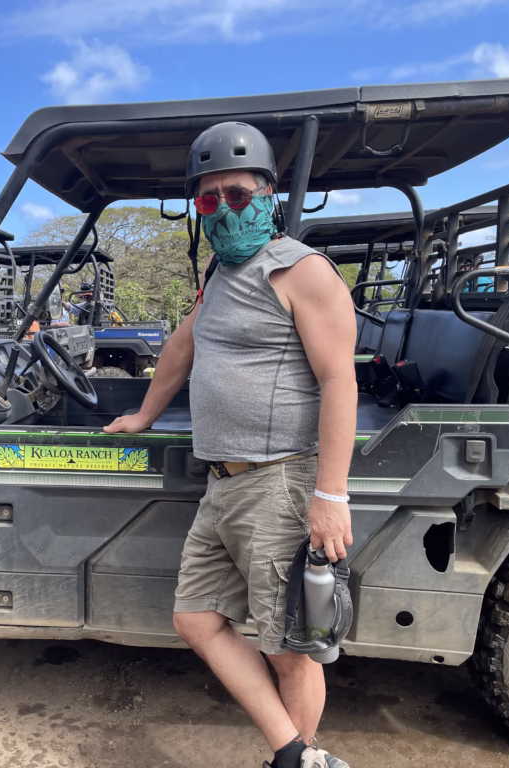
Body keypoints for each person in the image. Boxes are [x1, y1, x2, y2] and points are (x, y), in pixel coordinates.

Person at [104, 122, 357, 768]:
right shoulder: (220, 273)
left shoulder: (302, 272)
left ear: (268, 195)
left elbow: (340, 382)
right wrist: (143, 414)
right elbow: (182, 346)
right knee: (195, 618)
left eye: (237, 194)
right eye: (209, 198)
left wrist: (331, 496)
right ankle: (296, 754)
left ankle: (296, 760)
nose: (223, 209)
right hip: (222, 484)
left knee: (288, 648)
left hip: (279, 483)